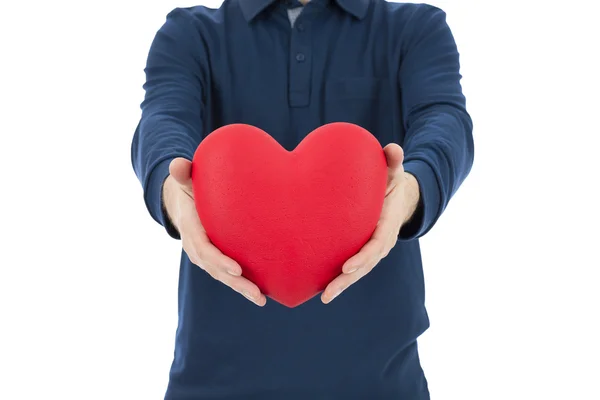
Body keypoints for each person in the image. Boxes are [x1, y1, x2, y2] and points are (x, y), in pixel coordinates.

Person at [131, 0, 474, 398]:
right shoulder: (190, 33)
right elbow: (162, 118)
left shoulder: (415, 27)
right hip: (213, 379)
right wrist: (171, 190)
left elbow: (445, 120)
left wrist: (413, 189)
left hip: (380, 380)